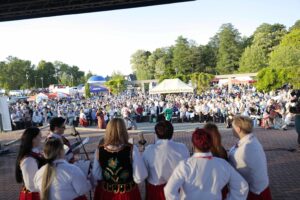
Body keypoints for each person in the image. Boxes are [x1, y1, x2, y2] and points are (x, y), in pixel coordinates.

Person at [164, 128, 249, 200]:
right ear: (211, 144)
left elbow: (169, 190)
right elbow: (242, 187)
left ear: (193, 145)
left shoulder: (185, 165)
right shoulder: (223, 164)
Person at [92, 118, 148, 200]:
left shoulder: (99, 150)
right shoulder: (132, 149)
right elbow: (139, 177)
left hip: (107, 194)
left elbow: (96, 175)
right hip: (127, 194)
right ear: (124, 130)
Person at [143, 121, 189, 200]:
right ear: (172, 132)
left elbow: (144, 173)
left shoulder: (149, 149)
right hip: (177, 190)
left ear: (156, 134)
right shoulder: (182, 148)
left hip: (156, 191)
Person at [228, 116, 272, 200]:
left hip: (255, 193)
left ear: (238, 129)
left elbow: (234, 173)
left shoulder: (243, 149)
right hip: (262, 187)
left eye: (232, 127)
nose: (231, 129)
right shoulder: (252, 140)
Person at [15, 127, 45, 200]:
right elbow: (31, 186)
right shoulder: (28, 160)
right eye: (39, 136)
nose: (41, 138)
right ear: (33, 139)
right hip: (32, 196)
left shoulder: (35, 154)